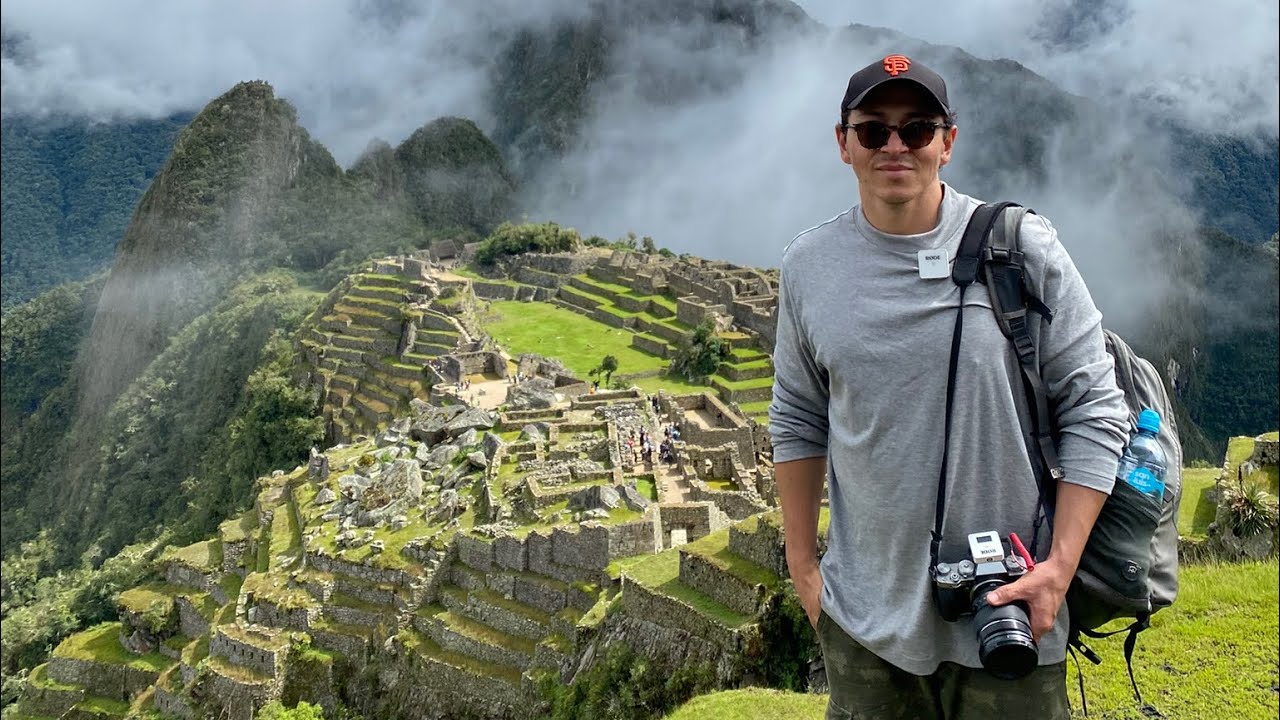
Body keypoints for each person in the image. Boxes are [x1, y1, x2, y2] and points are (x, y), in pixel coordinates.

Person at [768, 54, 1129, 719]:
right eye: (873, 130)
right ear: (844, 144)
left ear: (948, 142)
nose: (895, 145)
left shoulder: (1021, 248)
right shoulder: (808, 266)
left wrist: (1059, 569)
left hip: (1011, 611)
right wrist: (803, 565)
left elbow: (1096, 408)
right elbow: (798, 415)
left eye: (917, 129)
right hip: (863, 621)